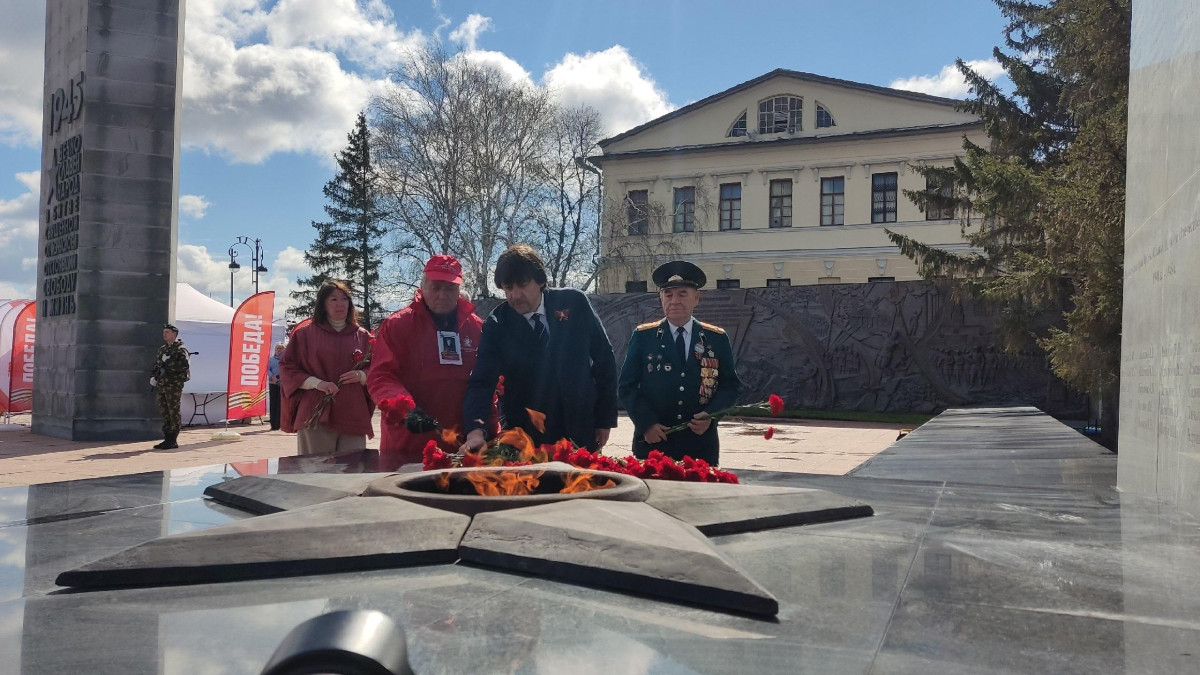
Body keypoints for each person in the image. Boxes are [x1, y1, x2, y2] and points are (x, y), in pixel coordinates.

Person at [461, 245, 618, 452]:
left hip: (581, 430)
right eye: (508, 288)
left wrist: (604, 419)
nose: (515, 295)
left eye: (522, 285)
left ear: (541, 281)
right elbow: (482, 382)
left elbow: (604, 358)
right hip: (528, 440)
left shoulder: (574, 302)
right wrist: (475, 431)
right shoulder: (497, 325)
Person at [368, 254, 495, 467]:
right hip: (407, 443)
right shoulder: (398, 325)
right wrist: (404, 409)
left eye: (449, 288)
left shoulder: (477, 329)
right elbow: (381, 376)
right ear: (423, 286)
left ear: (459, 289)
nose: (442, 295)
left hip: (462, 444)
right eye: (436, 287)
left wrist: (481, 429)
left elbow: (487, 384)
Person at [617, 261, 742, 465]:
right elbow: (626, 386)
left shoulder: (715, 338)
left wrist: (711, 416)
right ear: (661, 299)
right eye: (668, 295)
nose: (674, 301)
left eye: (682, 294)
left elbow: (731, 387)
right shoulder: (644, 337)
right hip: (653, 443)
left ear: (696, 298)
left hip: (699, 445)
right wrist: (646, 424)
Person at [280, 280, 375, 454]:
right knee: (315, 468)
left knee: (354, 468)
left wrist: (362, 375)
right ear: (323, 304)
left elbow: (379, 369)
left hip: (353, 415)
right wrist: (317, 383)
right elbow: (287, 367)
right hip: (315, 415)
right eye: (333, 299)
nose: (340, 304)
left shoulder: (363, 337)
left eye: (344, 299)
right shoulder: (305, 335)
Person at [150, 323, 190, 449]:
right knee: (165, 411)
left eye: (167, 332)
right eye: (164, 332)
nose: (164, 334)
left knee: (173, 411)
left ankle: (173, 439)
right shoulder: (162, 349)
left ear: (174, 334)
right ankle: (167, 438)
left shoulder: (180, 349)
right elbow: (157, 364)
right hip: (162, 384)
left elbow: (184, 365)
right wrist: (154, 376)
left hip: (173, 385)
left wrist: (168, 366)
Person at [267, 342, 285, 430]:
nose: (279, 350)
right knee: (273, 403)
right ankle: (273, 424)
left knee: (281, 404)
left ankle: (280, 423)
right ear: (275, 350)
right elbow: (267, 369)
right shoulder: (271, 360)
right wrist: (272, 376)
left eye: (281, 348)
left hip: (283, 383)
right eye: (278, 348)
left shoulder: (287, 359)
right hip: (273, 383)